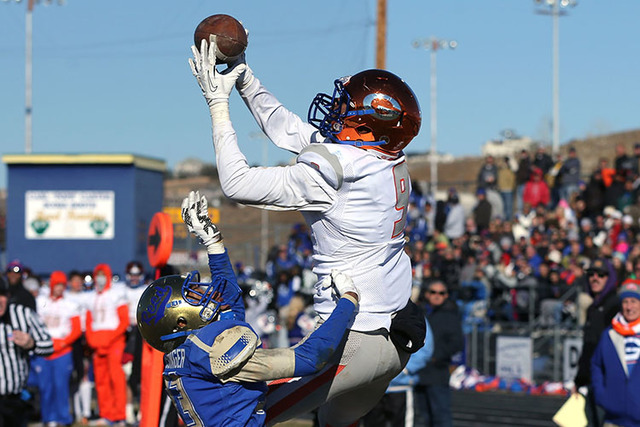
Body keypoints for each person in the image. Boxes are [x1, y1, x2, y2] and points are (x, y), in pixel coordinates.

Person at [189, 38, 426, 426]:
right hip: (395, 332)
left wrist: (218, 106)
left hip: (351, 340)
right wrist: (246, 79)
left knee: (248, 417)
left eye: (346, 110)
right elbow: (290, 130)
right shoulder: (384, 159)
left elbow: (236, 183)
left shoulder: (340, 170)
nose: (335, 112)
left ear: (367, 127)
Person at [136, 191, 361, 427]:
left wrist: (214, 244)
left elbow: (231, 304)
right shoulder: (211, 352)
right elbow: (311, 358)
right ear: (179, 320)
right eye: (193, 295)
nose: (204, 294)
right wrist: (348, 300)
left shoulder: (189, 352)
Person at [0, 276, 53, 427]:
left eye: (2, 294)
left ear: (8, 296)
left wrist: (31, 343)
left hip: (14, 399)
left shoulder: (22, 314)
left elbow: (48, 345)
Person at [573, 258, 620, 427]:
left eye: (601, 275)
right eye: (591, 274)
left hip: (608, 382)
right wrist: (579, 379)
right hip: (592, 381)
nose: (595, 278)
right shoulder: (593, 306)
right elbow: (588, 347)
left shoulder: (616, 306)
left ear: (609, 278)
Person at [34, 270, 83, 427]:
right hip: (44, 350)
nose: (60, 288)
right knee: (45, 387)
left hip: (62, 351)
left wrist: (62, 343)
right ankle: (48, 418)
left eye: (62, 285)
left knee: (61, 387)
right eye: (57, 285)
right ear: (52, 285)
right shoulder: (40, 302)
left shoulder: (69, 304)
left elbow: (76, 329)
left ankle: (63, 418)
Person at [591, 280, 640, 427]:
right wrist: (601, 395)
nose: (629, 307)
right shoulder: (610, 334)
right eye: (625, 302)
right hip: (613, 420)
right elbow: (596, 365)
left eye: (633, 301)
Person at [415, 280, 464, 427]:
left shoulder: (451, 316)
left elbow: (457, 344)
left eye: (441, 293)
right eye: (433, 292)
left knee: (441, 416)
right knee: (421, 417)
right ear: (427, 294)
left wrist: (437, 356)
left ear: (446, 295)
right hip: (418, 373)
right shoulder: (419, 313)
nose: (437, 296)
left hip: (437, 372)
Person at [85, 263, 129, 426]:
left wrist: (109, 339)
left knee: (116, 379)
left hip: (114, 341)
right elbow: (89, 321)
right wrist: (92, 340)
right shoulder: (91, 297)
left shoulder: (117, 294)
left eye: (103, 275)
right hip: (98, 342)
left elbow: (123, 321)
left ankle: (120, 415)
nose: (100, 278)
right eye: (98, 275)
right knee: (101, 380)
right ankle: (106, 414)